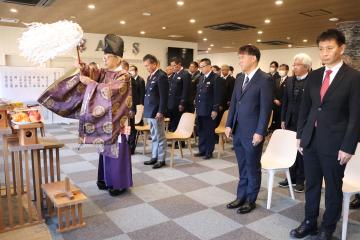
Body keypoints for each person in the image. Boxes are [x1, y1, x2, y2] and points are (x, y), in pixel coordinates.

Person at [290, 29, 360, 240]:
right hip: (311, 140)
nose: (325, 53)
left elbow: (356, 116)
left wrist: (348, 146)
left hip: (336, 143)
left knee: (332, 188)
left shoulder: (354, 78)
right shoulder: (314, 75)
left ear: (341, 48)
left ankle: (328, 227)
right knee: (311, 184)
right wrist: (300, 135)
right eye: (321, 49)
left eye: (329, 48)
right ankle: (310, 221)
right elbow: (307, 108)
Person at [225, 45, 273, 214]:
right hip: (238, 130)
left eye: (242, 57)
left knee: (252, 166)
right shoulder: (239, 77)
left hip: (253, 132)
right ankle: (241, 196)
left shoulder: (265, 79)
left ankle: (250, 200)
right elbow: (234, 104)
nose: (239, 61)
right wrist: (229, 124)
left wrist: (260, 131)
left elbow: (265, 109)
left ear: (253, 58)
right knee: (242, 165)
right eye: (239, 57)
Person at [278, 54, 312, 193]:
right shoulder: (290, 80)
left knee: (302, 151)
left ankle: (300, 180)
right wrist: (283, 119)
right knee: (291, 150)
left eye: (297, 65)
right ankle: (290, 177)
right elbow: (285, 102)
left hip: (305, 122)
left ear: (306, 67)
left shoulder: (313, 81)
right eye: (294, 64)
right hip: (290, 120)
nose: (294, 67)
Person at [142, 54, 169, 169]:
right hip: (150, 111)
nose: (147, 68)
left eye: (148, 65)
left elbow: (164, 96)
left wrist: (161, 111)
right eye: (145, 66)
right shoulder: (150, 77)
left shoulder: (161, 76)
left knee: (160, 136)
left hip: (157, 112)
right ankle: (154, 156)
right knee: (153, 135)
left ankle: (161, 159)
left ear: (154, 63)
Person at [194, 58, 222, 159]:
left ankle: (209, 152)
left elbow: (217, 95)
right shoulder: (201, 77)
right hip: (200, 109)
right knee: (201, 130)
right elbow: (198, 94)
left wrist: (215, 109)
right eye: (200, 67)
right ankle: (202, 150)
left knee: (209, 131)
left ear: (209, 66)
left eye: (202, 67)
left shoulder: (215, 78)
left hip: (209, 109)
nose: (200, 69)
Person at [167, 57, 191, 132]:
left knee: (178, 122)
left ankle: (180, 143)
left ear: (179, 64)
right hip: (172, 103)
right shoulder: (174, 74)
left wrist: (182, 103)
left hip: (178, 103)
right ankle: (175, 141)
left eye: (174, 65)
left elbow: (186, 90)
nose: (173, 67)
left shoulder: (185, 74)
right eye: (172, 66)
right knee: (173, 122)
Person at [121, 61, 139, 155]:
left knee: (131, 128)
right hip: (122, 109)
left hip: (130, 108)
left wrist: (132, 109)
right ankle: (125, 147)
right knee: (124, 129)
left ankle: (131, 148)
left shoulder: (130, 79)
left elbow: (133, 95)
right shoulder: (121, 78)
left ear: (126, 68)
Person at [270, 64, 289, 131]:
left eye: (283, 69)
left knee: (280, 121)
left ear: (287, 71)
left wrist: (280, 101)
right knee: (274, 119)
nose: (281, 71)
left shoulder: (289, 80)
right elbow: (273, 91)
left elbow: (287, 94)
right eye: (280, 69)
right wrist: (275, 99)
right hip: (275, 104)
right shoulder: (277, 80)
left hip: (283, 105)